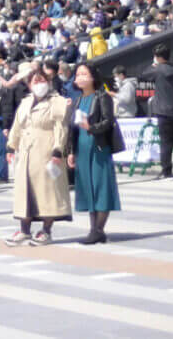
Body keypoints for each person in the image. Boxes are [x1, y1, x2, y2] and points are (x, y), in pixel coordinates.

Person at [4, 65, 71, 246]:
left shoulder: (57, 102)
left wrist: (58, 150)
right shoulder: (25, 102)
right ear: (29, 84)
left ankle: (46, 230)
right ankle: (24, 230)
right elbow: (17, 126)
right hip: (26, 151)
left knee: (48, 191)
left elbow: (61, 128)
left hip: (46, 149)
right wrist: (11, 147)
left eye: (42, 80)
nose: (39, 83)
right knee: (24, 191)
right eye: (35, 81)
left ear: (49, 82)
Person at [66, 62, 119, 245]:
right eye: (78, 74)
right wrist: (71, 151)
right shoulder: (79, 100)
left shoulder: (102, 97)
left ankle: (98, 230)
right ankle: (94, 229)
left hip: (98, 148)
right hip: (82, 148)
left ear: (93, 77)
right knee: (88, 189)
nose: (80, 77)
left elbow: (107, 121)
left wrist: (92, 127)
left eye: (84, 74)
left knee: (101, 188)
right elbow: (73, 128)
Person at [138, 43, 173, 179]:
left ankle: (167, 171)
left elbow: (143, 76)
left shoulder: (157, 70)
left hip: (163, 110)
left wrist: (153, 65)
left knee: (166, 142)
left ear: (157, 57)